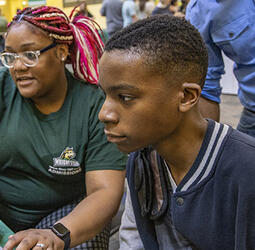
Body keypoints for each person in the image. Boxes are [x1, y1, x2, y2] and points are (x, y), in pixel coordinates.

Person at [0, 5, 126, 250]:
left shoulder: (94, 105)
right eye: (9, 56)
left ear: (61, 52)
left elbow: (104, 191)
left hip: (62, 214)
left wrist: (56, 234)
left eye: (30, 54)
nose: (17, 67)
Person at [98, 15, 255, 249]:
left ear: (187, 96)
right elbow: (133, 239)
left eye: (126, 97)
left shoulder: (245, 171)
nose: (105, 114)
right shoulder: (141, 161)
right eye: (106, 95)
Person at [186, 0, 255, 138]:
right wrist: (208, 148)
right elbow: (208, 83)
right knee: (237, 157)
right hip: (253, 111)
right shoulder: (200, 10)